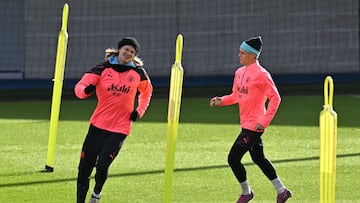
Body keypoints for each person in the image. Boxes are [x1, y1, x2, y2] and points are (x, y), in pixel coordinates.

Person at [210, 36, 291, 203]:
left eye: (242, 53)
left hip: (254, 126)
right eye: (239, 52)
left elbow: (275, 98)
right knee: (258, 158)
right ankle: (282, 191)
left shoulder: (262, 75)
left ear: (253, 56)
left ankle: (246, 192)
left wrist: (264, 121)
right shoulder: (239, 72)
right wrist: (221, 101)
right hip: (246, 124)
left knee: (233, 158)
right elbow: (235, 96)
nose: (239, 55)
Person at [74, 37, 153, 203]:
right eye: (126, 49)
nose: (128, 53)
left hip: (120, 129)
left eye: (132, 52)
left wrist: (139, 112)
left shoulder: (138, 73)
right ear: (119, 50)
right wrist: (85, 91)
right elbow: (80, 86)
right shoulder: (102, 68)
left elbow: (147, 93)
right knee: (84, 169)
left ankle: (96, 194)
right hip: (97, 126)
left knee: (102, 167)